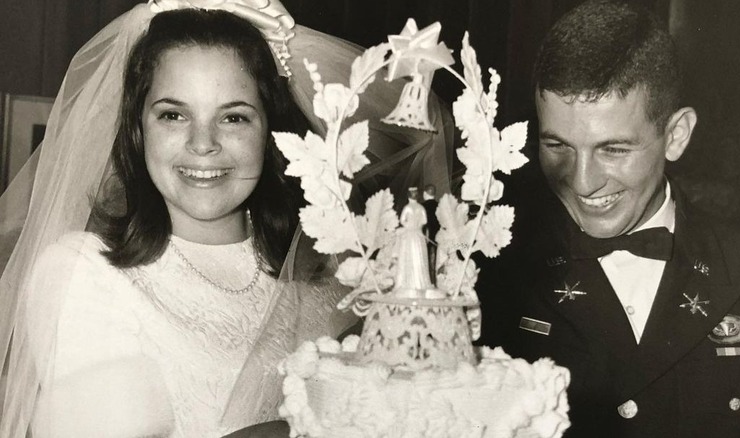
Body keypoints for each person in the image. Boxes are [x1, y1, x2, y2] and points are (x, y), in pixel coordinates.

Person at [0, 1, 455, 437]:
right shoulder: (83, 275)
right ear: (138, 129)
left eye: (234, 118)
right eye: (174, 115)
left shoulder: (329, 269)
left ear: (271, 131)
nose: (203, 144)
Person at [476, 1, 740, 437]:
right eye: (558, 146)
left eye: (613, 150)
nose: (582, 183)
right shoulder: (490, 269)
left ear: (676, 136)